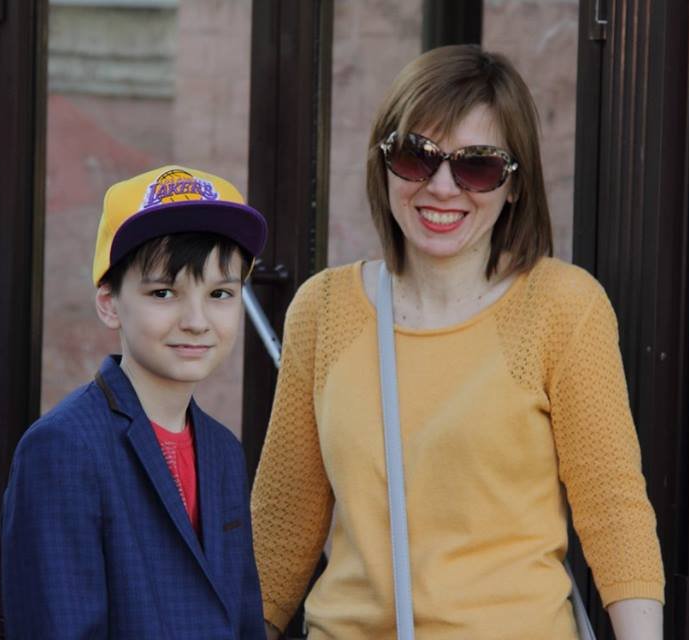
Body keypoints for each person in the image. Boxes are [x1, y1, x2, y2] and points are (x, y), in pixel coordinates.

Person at [251, 45, 664, 640]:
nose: (443, 187)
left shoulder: (562, 306)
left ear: (514, 186)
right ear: (383, 165)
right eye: (415, 156)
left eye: (478, 167)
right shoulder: (324, 308)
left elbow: (613, 510)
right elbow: (282, 525)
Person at [2, 166, 268, 639]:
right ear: (109, 303)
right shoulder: (63, 448)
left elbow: (244, 621)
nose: (196, 320)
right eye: (163, 292)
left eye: (220, 293)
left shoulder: (223, 450)